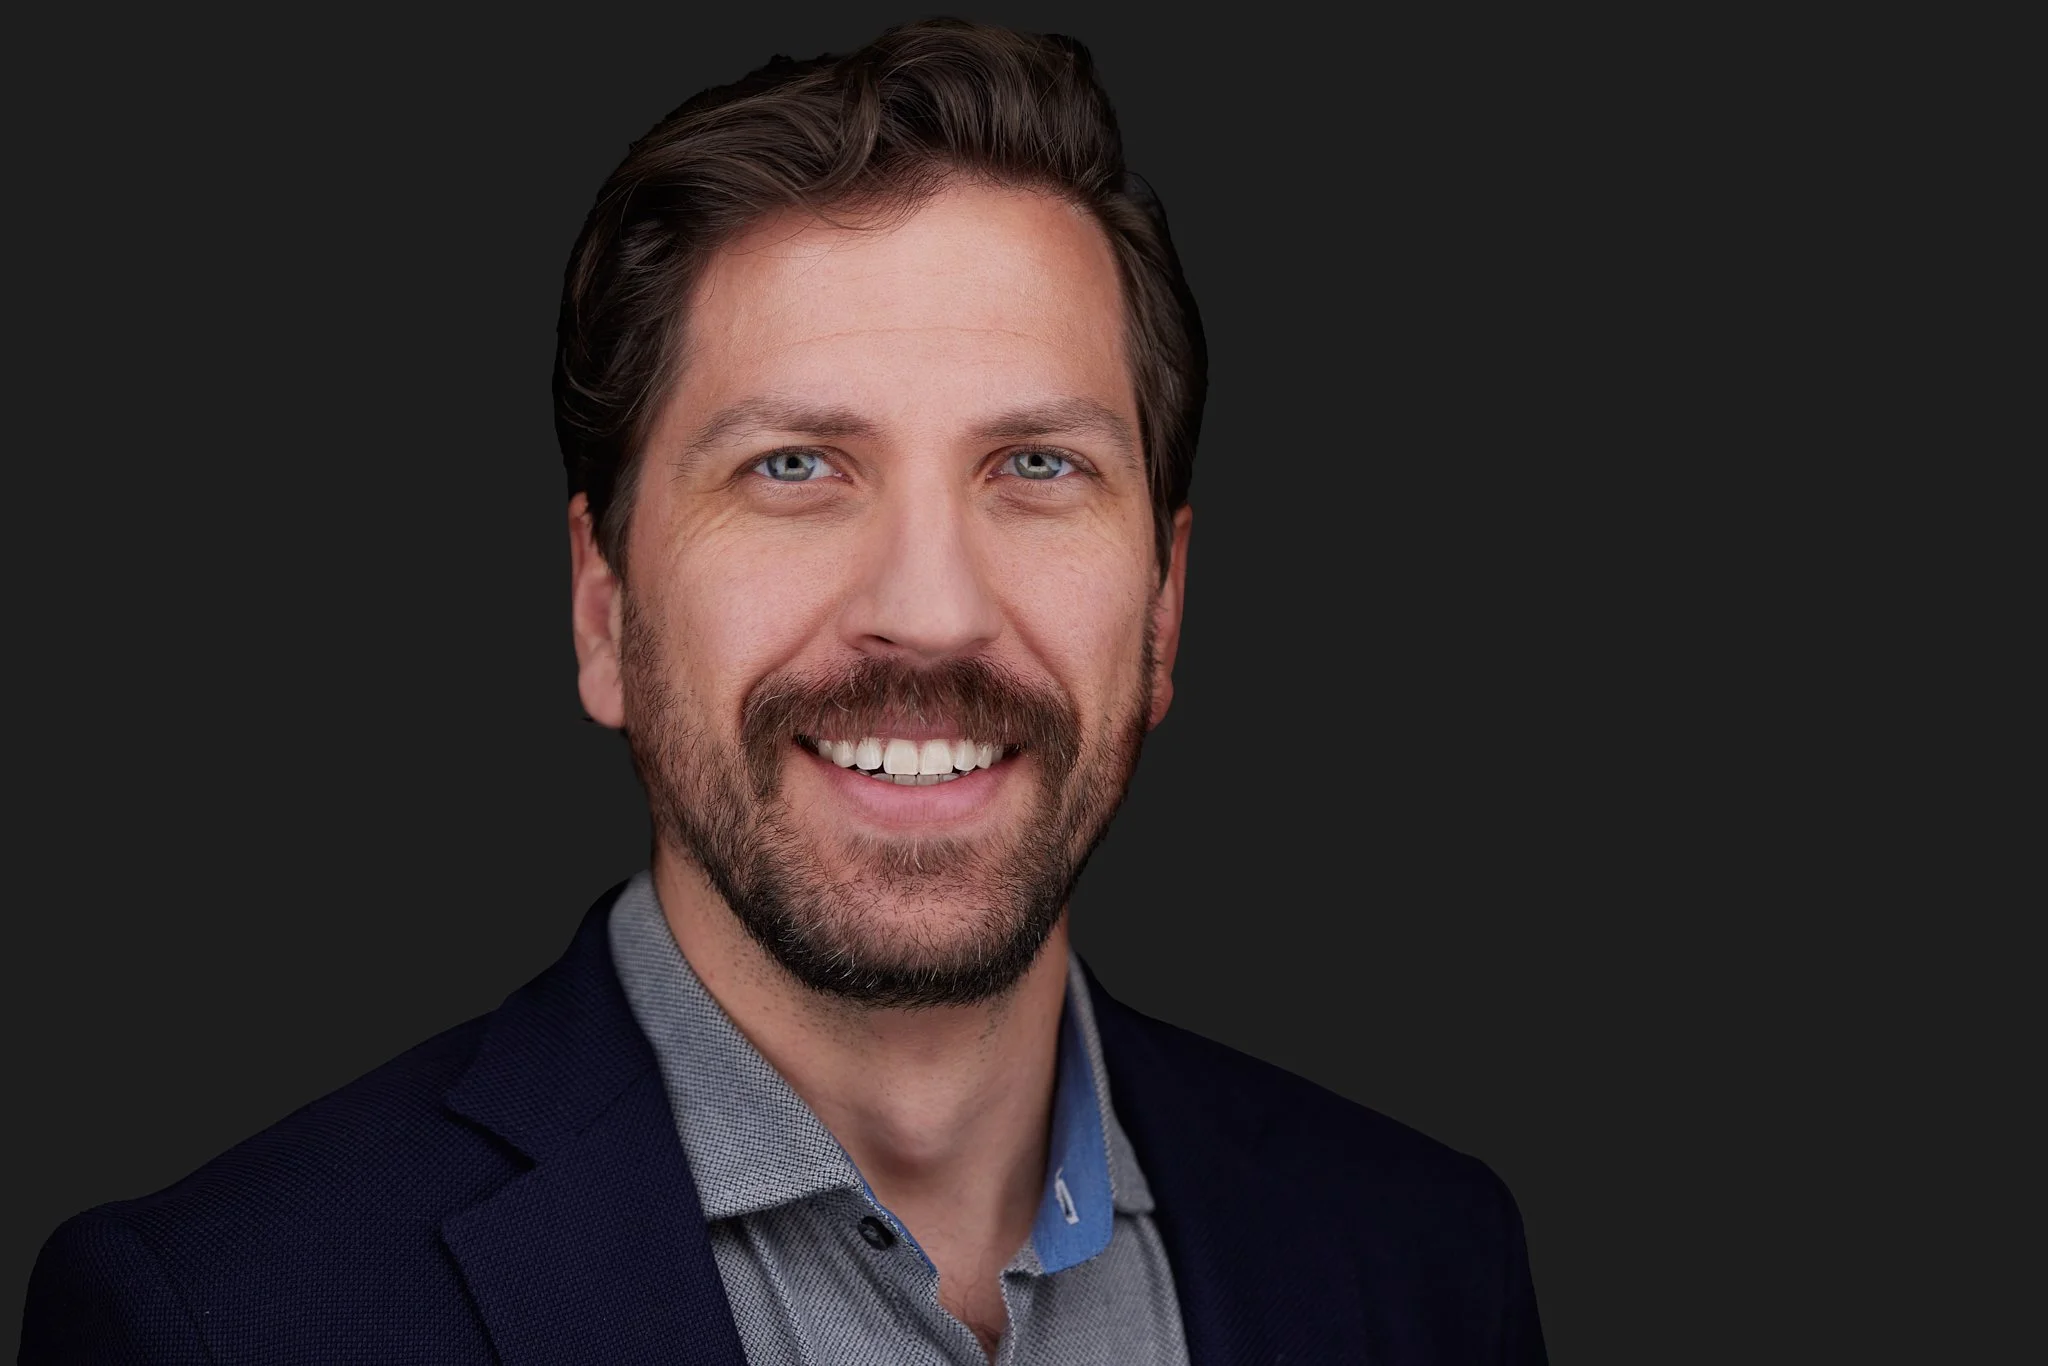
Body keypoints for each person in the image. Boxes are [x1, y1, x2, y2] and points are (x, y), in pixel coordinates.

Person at [21, 19, 1544, 1364]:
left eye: (1037, 466)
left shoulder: (1419, 1267)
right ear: (604, 605)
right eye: (796, 467)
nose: (928, 609)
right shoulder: (218, 1318)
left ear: (1163, 609)